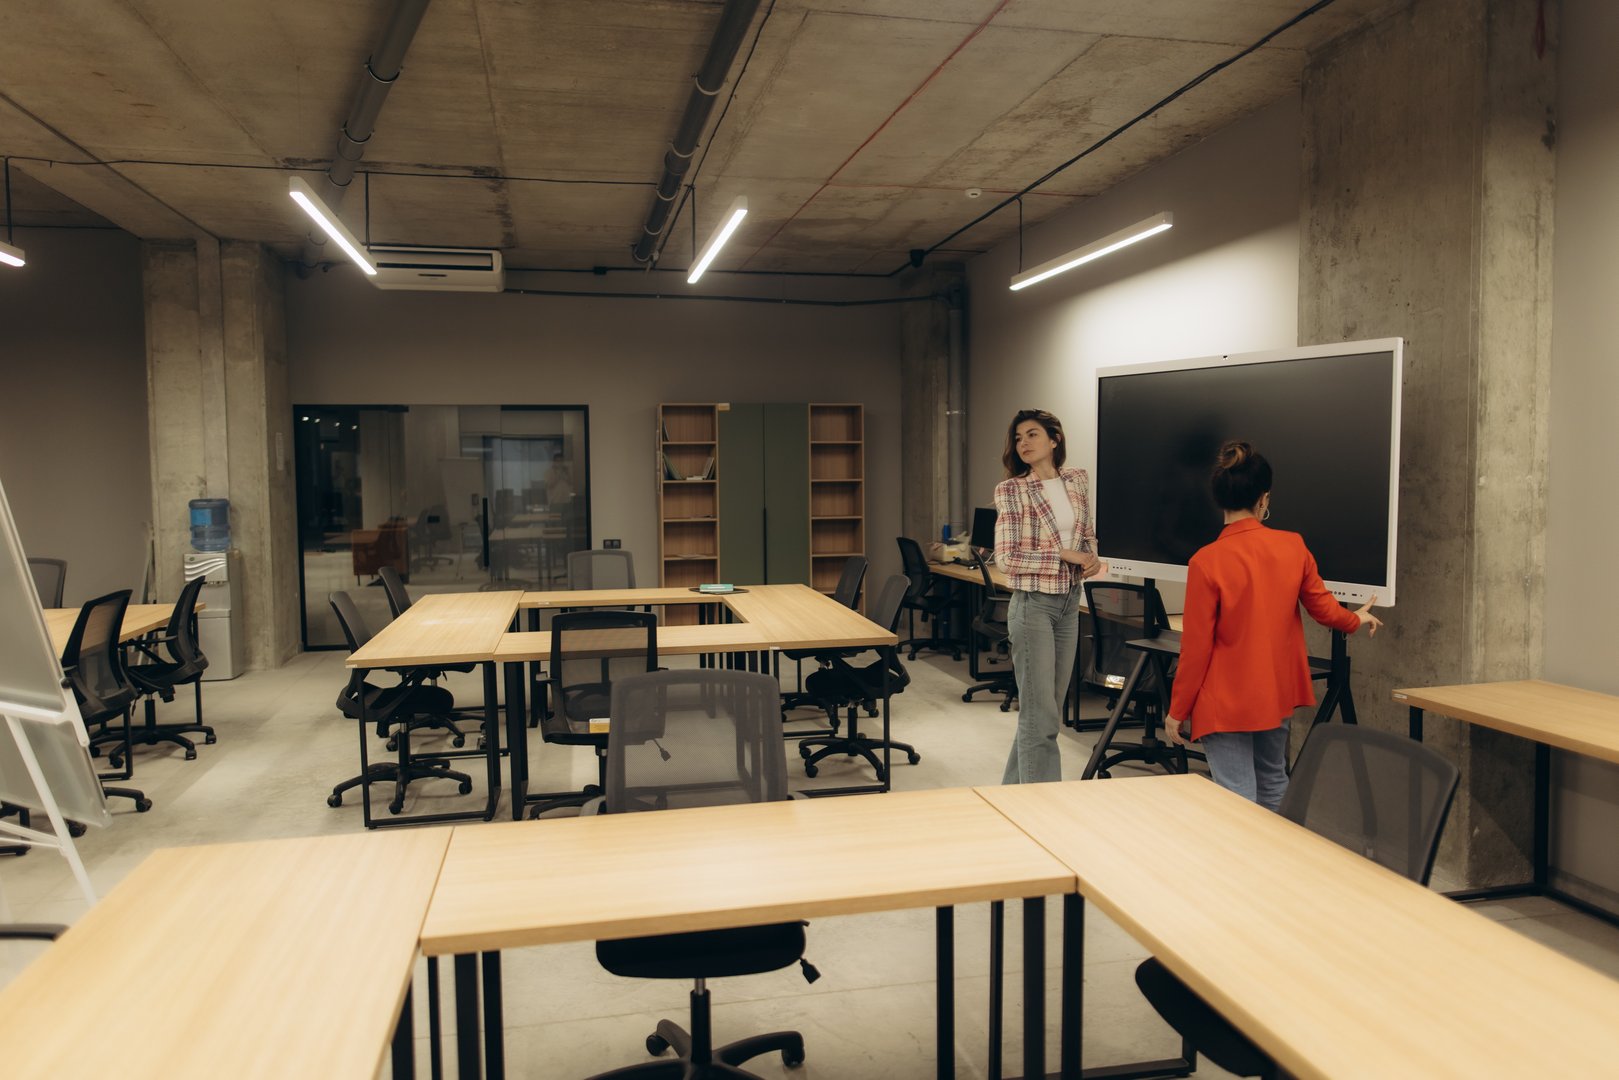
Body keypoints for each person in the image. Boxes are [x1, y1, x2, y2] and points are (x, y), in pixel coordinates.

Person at [1163, 441, 1382, 810]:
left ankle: (1245, 868)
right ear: (1264, 499)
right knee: (1274, 783)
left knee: (1237, 799)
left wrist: (1177, 710)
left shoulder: (1206, 561)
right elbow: (1325, 611)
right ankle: (1277, 866)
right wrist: (1355, 619)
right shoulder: (1293, 546)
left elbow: (1197, 648)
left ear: (1220, 500)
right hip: (1272, 694)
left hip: (1225, 700)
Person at [994, 409, 1105, 784]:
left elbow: (1087, 533)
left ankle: (1011, 797)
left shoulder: (1076, 481)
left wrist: (1090, 557)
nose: (1023, 443)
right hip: (1032, 606)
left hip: (1069, 604)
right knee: (1040, 718)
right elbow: (1007, 559)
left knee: (1044, 714)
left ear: (1054, 439)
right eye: (1018, 437)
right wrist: (1062, 554)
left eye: (1032, 435)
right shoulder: (1011, 490)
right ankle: (1042, 806)